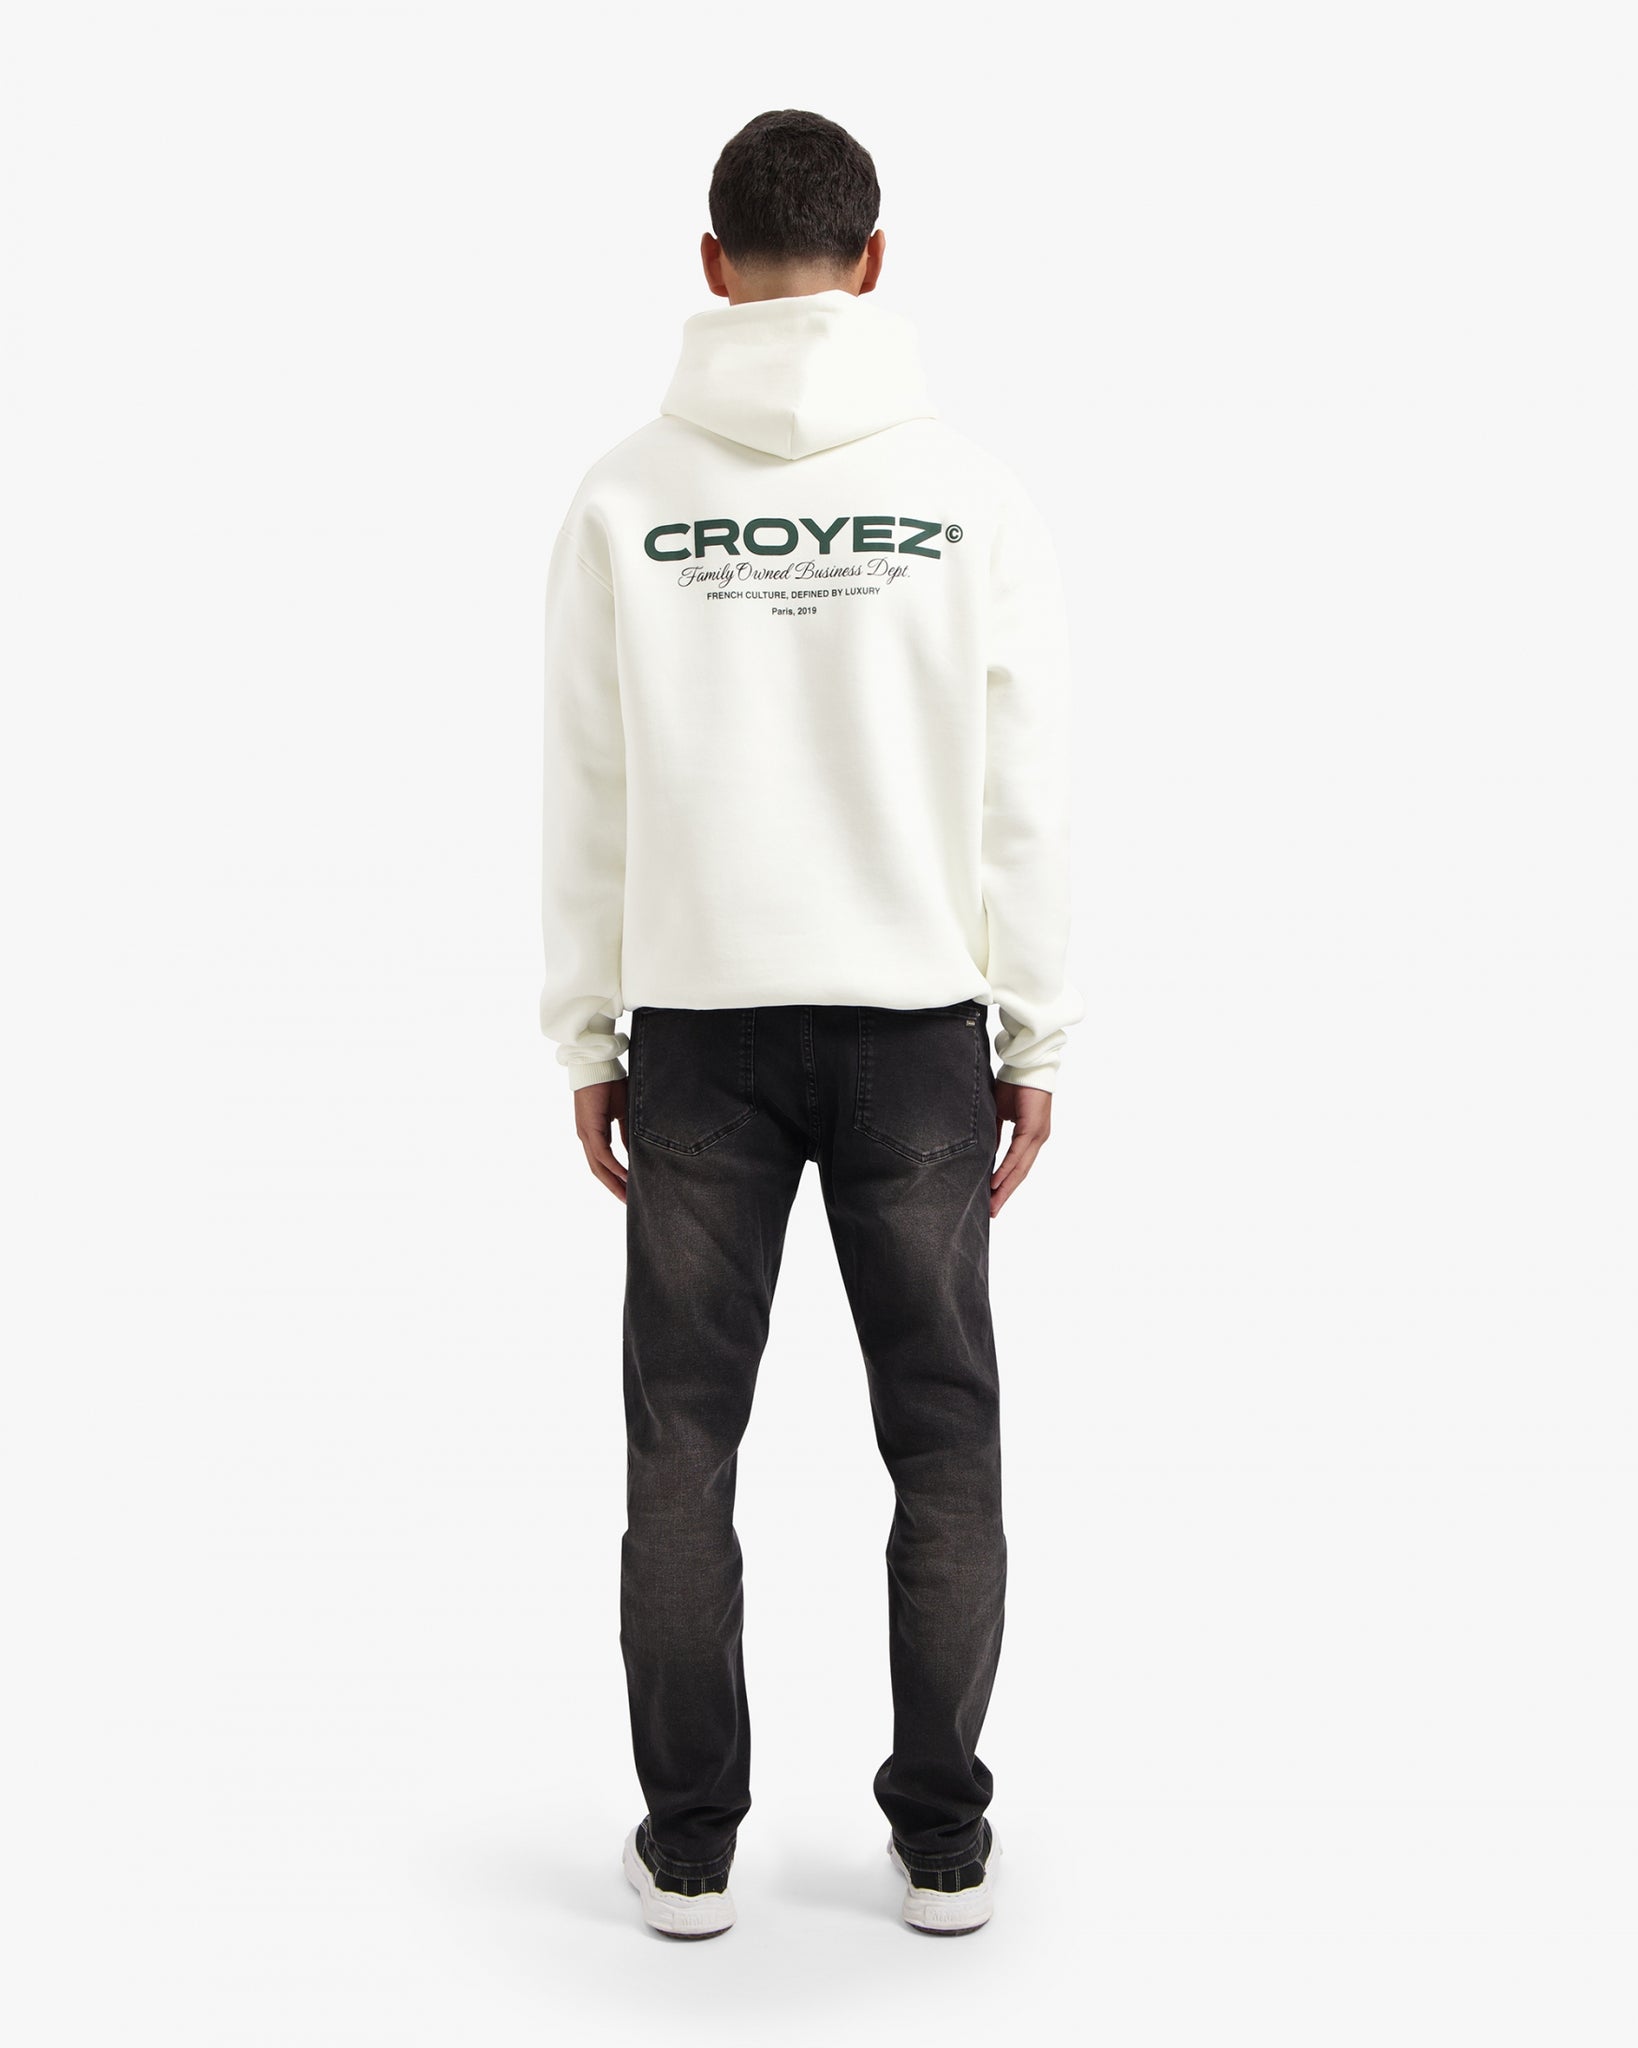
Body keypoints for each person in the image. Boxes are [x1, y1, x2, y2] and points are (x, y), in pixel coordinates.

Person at [539, 108, 1080, 1939]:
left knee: (681, 1444)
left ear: (711, 264)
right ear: (873, 258)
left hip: (695, 1025)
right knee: (942, 1438)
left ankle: (690, 1845)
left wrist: (588, 1032)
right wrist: (1036, 1036)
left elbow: (587, 784)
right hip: (917, 1030)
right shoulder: (966, 493)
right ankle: (942, 1840)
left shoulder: (625, 496)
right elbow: (1021, 789)